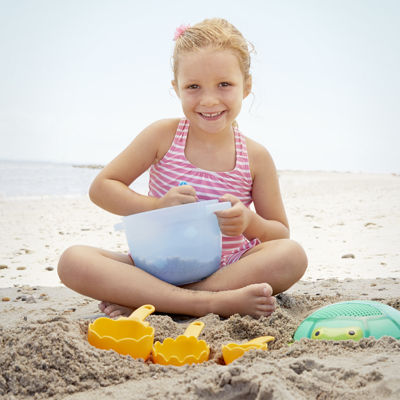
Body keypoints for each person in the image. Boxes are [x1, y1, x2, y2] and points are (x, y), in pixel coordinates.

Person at [58, 18, 307, 319]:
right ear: (176, 88)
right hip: (153, 268)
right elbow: (102, 188)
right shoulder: (163, 136)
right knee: (72, 261)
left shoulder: (255, 156)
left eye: (224, 84)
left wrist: (249, 222)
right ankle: (210, 303)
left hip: (227, 270)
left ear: (246, 86)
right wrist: (158, 206)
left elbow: (279, 233)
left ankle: (157, 301)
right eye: (193, 87)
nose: (209, 99)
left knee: (292, 256)